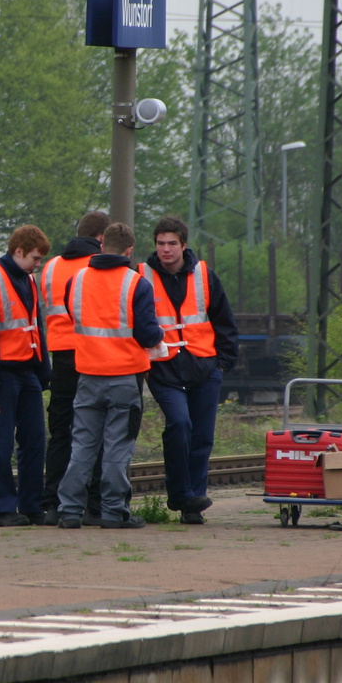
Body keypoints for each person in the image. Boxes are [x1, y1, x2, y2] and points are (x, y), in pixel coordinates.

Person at [56, 222, 163, 529]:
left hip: (87, 375)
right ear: (129, 251)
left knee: (83, 446)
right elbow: (146, 334)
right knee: (118, 447)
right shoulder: (137, 284)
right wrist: (159, 334)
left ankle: (70, 512)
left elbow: (75, 316)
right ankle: (114, 512)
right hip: (124, 378)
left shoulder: (76, 281)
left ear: (102, 246)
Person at [140, 217, 239, 524]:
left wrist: (222, 362)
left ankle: (193, 503)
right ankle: (180, 493)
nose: (166, 250)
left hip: (205, 366)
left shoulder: (204, 274)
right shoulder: (141, 276)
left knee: (202, 437)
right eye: (160, 244)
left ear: (184, 245)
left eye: (172, 244)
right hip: (164, 368)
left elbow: (224, 319)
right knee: (179, 425)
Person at [0, 225, 56, 527]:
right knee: (1, 444)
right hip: (2, 376)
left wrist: (44, 370)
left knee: (34, 441)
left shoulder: (28, 280)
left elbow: (36, 327)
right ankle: (4, 509)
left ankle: (32, 505)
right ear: (18, 251)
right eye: (35, 257)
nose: (38, 264)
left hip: (27, 372)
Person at [38, 210, 109, 519]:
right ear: (102, 239)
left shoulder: (52, 266)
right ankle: (95, 505)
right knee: (96, 430)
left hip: (60, 357)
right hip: (93, 355)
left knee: (61, 431)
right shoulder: (98, 267)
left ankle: (52, 503)